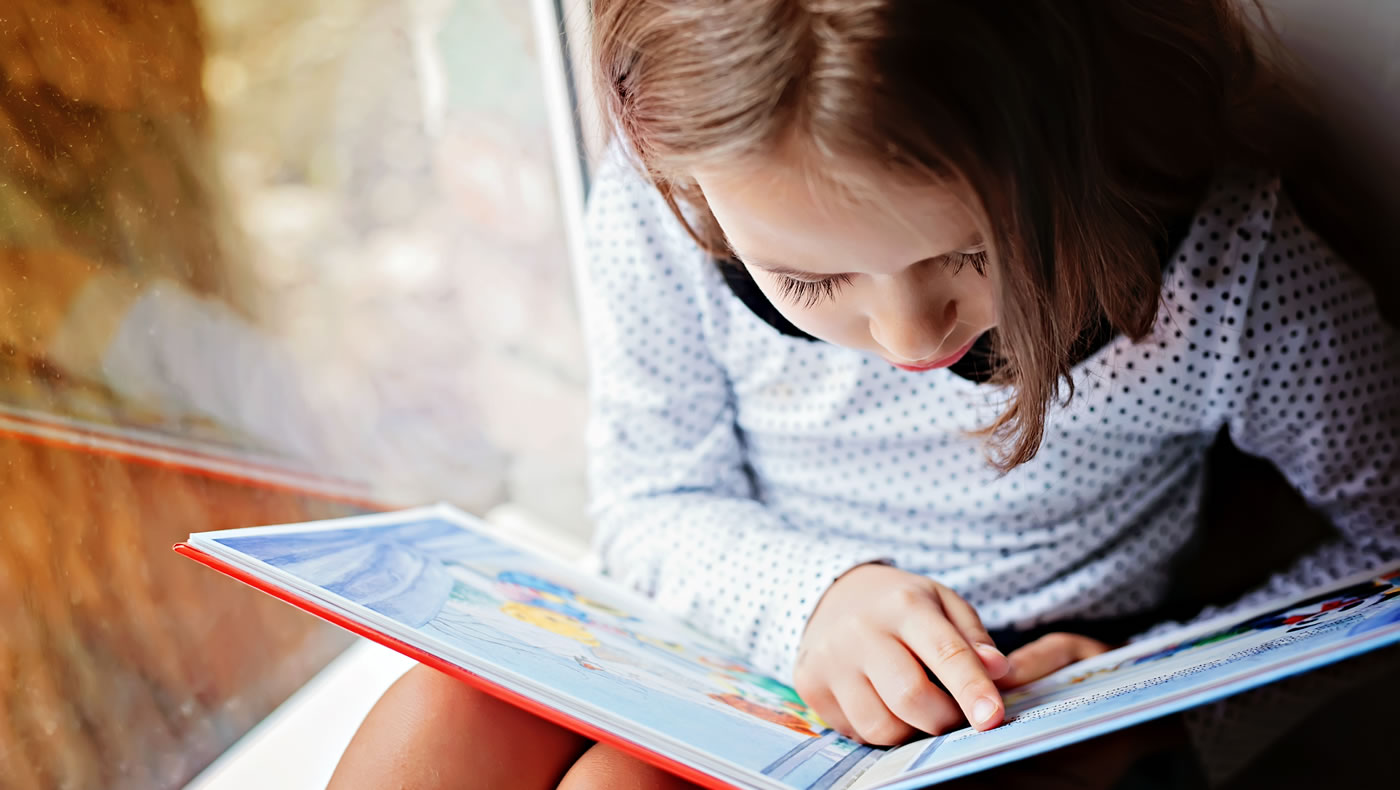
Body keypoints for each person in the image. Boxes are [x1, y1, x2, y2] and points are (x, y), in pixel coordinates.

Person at [331, 1, 1400, 787]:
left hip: (1028, 704)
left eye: (976, 254)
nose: (906, 334)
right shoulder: (665, 208)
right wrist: (813, 600)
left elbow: (1387, 551)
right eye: (809, 280)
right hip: (752, 631)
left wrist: (1149, 697)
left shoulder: (1227, 276)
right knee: (444, 714)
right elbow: (649, 500)